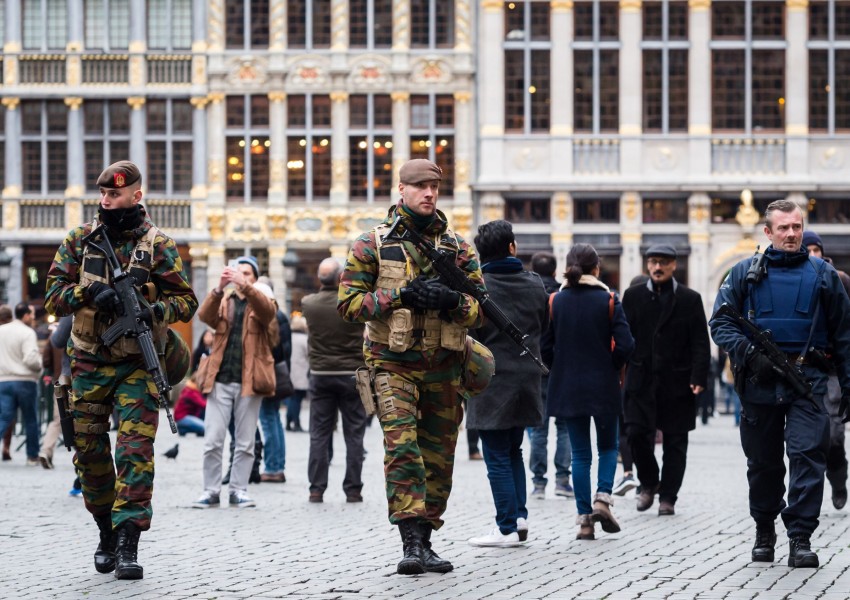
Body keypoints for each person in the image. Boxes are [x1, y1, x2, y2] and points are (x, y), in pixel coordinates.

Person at [44, 160, 198, 580]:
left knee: (135, 453)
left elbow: (186, 301)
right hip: (89, 363)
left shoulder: (158, 244)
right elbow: (53, 297)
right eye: (103, 194)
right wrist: (88, 290)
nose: (106, 200)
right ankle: (105, 533)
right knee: (89, 454)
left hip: (136, 367)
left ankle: (129, 542)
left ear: (137, 194)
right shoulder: (81, 239)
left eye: (115, 194)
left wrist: (153, 309)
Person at [338, 158, 484, 575]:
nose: (428, 193)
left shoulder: (458, 249)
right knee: (402, 449)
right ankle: (411, 541)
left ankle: (428, 537)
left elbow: (480, 310)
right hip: (392, 364)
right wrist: (399, 296)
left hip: (443, 367)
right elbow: (348, 306)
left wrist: (452, 301)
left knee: (439, 456)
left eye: (434, 187)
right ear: (400, 189)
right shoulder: (372, 244)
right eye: (419, 186)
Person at [710, 199, 850, 568]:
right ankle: (764, 528)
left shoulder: (823, 275)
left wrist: (848, 386)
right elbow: (720, 323)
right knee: (763, 464)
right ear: (768, 232)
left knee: (808, 458)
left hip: (809, 382)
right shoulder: (743, 273)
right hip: (759, 383)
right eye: (784, 228)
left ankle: (800, 537)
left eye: (797, 227)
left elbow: (844, 335)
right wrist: (750, 354)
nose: (791, 234)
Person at [542, 244, 634, 540]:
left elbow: (545, 348)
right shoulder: (608, 300)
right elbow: (626, 345)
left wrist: (561, 366)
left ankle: (584, 522)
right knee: (608, 447)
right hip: (604, 385)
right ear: (597, 269)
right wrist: (613, 365)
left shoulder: (555, 301)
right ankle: (602, 499)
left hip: (568, 386)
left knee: (580, 454)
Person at [465, 220, 547, 548]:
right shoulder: (535, 284)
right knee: (514, 449)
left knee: (496, 454)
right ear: (512, 247)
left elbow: (470, 330)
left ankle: (505, 527)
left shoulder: (478, 286)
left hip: (491, 378)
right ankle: (520, 516)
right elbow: (544, 323)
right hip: (528, 375)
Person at [621, 244, 710, 517]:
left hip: (678, 381)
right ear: (647, 265)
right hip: (640, 379)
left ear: (674, 266)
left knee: (675, 441)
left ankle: (668, 496)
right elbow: (623, 336)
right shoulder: (633, 296)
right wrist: (620, 369)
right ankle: (649, 482)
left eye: (663, 262)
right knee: (635, 433)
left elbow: (700, 342)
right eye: (653, 262)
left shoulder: (689, 298)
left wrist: (698, 376)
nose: (657, 267)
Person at [192, 256, 277, 510]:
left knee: (245, 442)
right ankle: (211, 490)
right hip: (220, 379)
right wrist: (219, 287)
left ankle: (239, 490)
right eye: (238, 273)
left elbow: (268, 313)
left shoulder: (262, 299)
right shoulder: (224, 300)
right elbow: (204, 316)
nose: (241, 277)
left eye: (247, 273)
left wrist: (248, 287)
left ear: (255, 277)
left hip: (249, 381)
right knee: (213, 440)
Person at [302, 258, 368, 503]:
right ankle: (353, 489)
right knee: (354, 435)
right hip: (352, 374)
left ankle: (316, 489)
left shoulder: (308, 304)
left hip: (321, 375)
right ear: (341, 277)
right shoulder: (351, 305)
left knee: (319, 434)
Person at [802, 230, 849, 510]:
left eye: (814, 249)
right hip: (803, 368)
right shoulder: (793, 281)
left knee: (833, 434)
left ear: (822, 252)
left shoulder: (840, 280)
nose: (811, 254)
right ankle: (810, 492)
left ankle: (838, 477)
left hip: (832, 367)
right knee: (807, 437)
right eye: (806, 250)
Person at [526, 251, 573, 499]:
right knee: (564, 427)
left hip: (536, 368)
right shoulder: (564, 296)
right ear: (555, 271)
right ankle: (563, 480)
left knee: (539, 428)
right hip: (561, 368)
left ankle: (538, 482)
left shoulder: (530, 295)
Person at [614, 273, 649, 496]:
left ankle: (628, 473)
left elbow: (620, 346)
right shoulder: (655, 314)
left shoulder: (624, 315)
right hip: (649, 381)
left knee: (625, 430)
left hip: (625, 379)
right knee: (645, 431)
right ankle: (647, 480)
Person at [0, 303, 43, 467]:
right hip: (24, 380)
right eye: (31, 315)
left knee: (4, 418)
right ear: (24, 315)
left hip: (3, 380)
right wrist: (39, 365)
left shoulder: (1, 331)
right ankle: (32, 456)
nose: (32, 318)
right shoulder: (27, 332)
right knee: (30, 419)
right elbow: (30, 359)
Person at [257, 276, 291, 483]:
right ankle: (277, 464)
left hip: (267, 374)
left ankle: (273, 467)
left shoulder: (271, 316)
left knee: (268, 420)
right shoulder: (282, 315)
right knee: (274, 419)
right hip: (277, 373)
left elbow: (275, 348)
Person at [38, 315, 73, 469]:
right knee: (84, 420)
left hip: (61, 380)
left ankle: (46, 451)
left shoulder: (55, 335)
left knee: (58, 419)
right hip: (82, 378)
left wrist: (53, 370)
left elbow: (45, 360)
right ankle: (86, 459)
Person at [288, 316, 310, 433]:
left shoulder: (289, 337)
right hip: (301, 373)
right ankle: (296, 423)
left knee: (292, 398)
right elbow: (309, 355)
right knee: (297, 399)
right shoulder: (304, 339)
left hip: (290, 372)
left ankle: (288, 422)